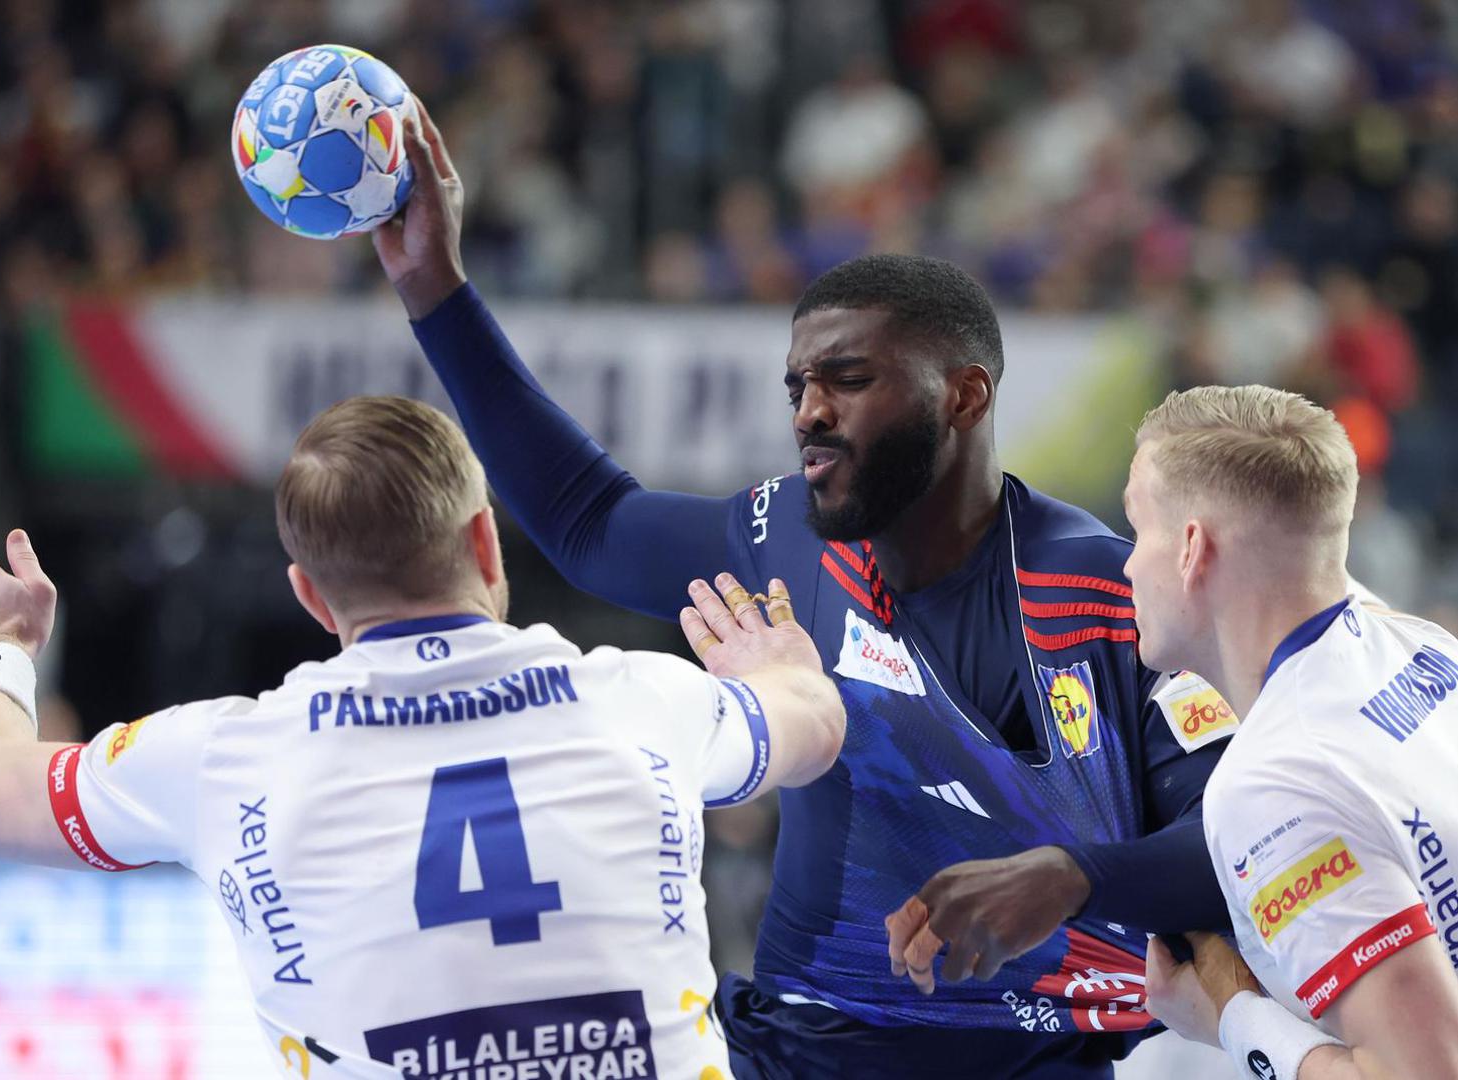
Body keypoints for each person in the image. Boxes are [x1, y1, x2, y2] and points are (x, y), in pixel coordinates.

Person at [374, 104, 1236, 1077]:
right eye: (798, 387)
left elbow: (1232, 844)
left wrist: (1069, 877)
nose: (810, 412)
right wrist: (435, 292)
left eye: (849, 379)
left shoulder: (1099, 590)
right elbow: (588, 523)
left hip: (1044, 1058)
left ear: (963, 396)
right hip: (796, 1047)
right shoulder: (779, 537)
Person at [0, 396, 846, 1078]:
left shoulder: (226, 758)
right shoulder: (639, 699)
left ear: (310, 594)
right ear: (484, 541)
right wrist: (774, 668)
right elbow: (814, 726)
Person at [1126, 386, 1458, 1080]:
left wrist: (1231, 1019)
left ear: (1191, 548)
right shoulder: (1423, 647)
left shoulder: (1272, 781)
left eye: (1137, 528)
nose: (1127, 564)